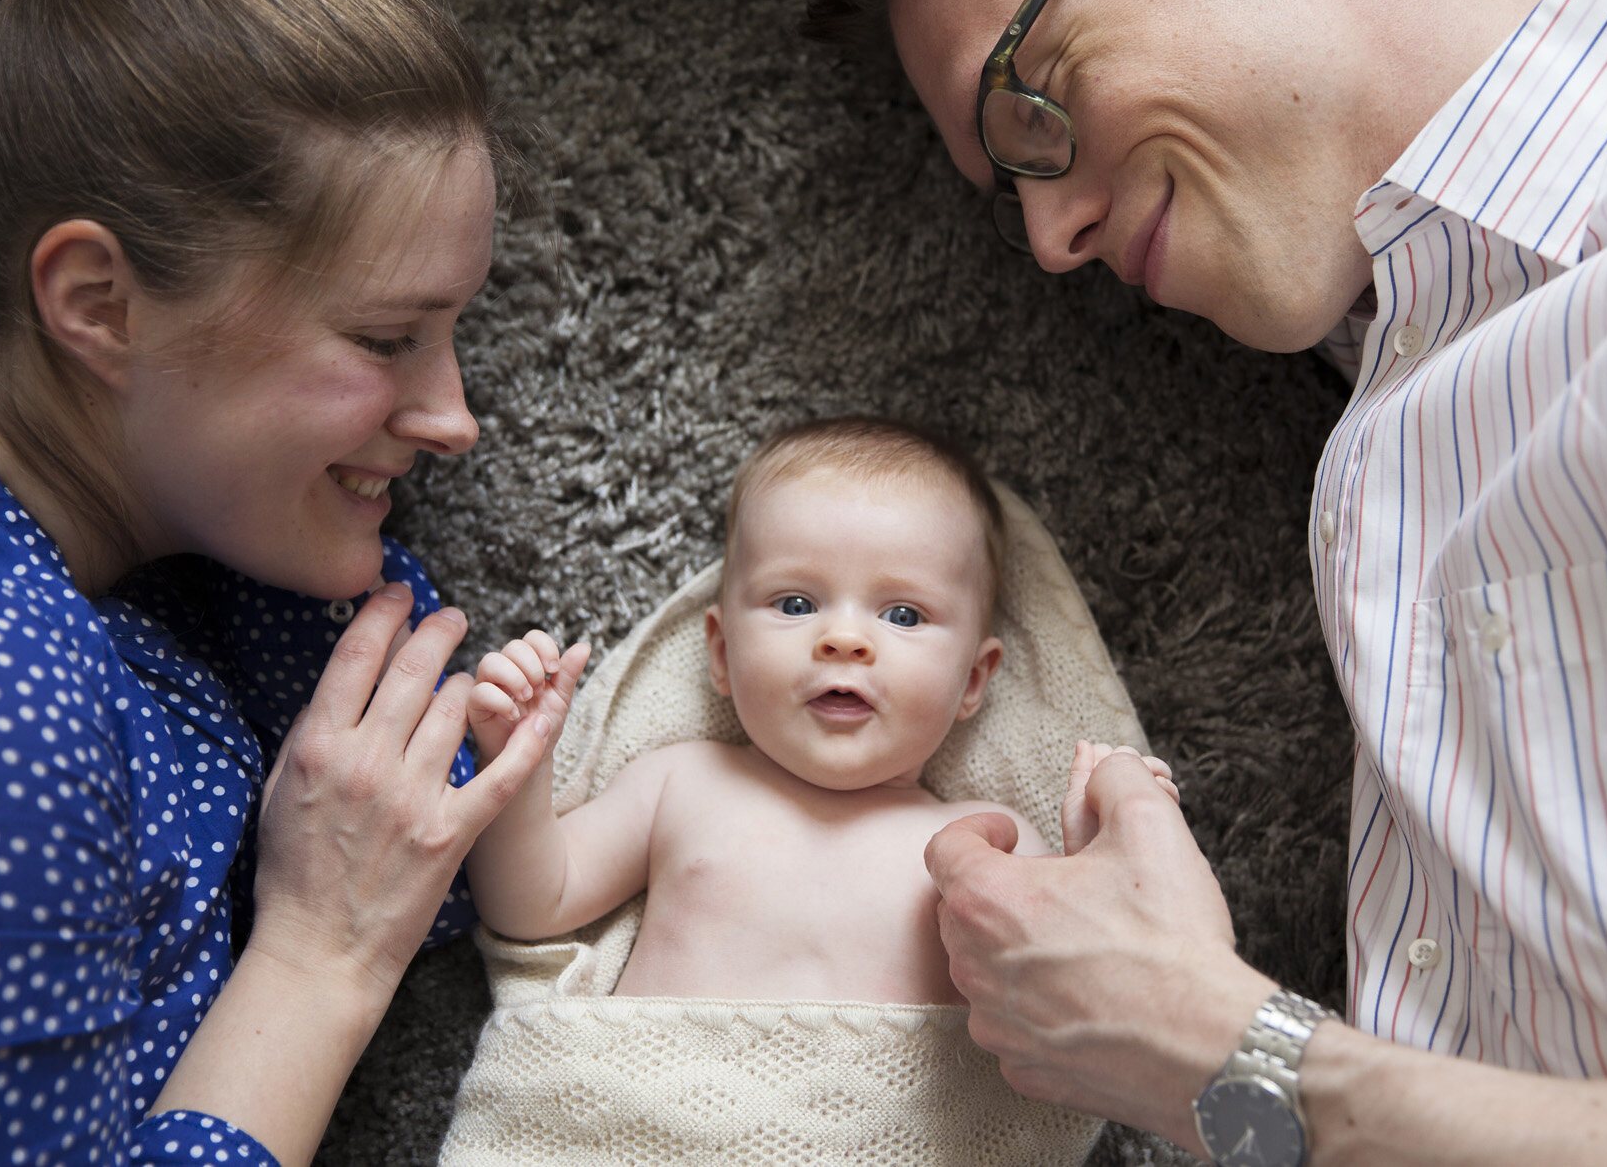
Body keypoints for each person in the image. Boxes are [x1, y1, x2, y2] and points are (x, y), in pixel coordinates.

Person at [565, 0, 1607, 1162]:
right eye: (1009, 176)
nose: (1046, 239)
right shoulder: (1422, 289)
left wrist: (1220, 1054)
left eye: (1034, 105)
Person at [0, 0, 552, 1164]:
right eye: (388, 337)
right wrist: (321, 954)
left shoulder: (74, 563)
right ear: (99, 305)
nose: (458, 420)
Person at [463, 416, 1172, 1001]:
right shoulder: (679, 783)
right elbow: (531, 905)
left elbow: (1081, 993)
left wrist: (1099, 856)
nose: (843, 638)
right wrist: (520, 762)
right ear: (721, 651)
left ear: (972, 682)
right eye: (796, 603)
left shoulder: (990, 842)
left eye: (902, 613)